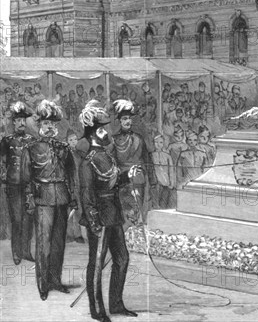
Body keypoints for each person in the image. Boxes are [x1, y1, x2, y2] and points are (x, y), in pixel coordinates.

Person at [78, 100, 139, 321]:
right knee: (96, 264)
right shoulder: (88, 162)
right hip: (99, 219)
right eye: (102, 130)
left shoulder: (107, 156)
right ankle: (97, 310)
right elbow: (86, 195)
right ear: (93, 134)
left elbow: (112, 183)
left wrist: (126, 177)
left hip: (113, 214)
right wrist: (94, 221)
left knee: (122, 259)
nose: (106, 133)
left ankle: (116, 304)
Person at [21, 99, 77, 300]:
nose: (50, 127)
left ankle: (55, 281)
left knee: (58, 244)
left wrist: (73, 199)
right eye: (46, 123)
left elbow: (71, 175)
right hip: (42, 199)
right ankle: (43, 285)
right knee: (43, 244)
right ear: (40, 125)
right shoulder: (31, 148)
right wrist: (29, 198)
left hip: (61, 197)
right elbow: (26, 177)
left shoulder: (64, 148)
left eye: (53, 124)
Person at [0, 101, 35, 264]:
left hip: (29, 186)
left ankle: (26, 251)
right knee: (17, 219)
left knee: (28, 219)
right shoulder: (6, 141)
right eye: (18, 120)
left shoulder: (32, 140)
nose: (22, 123)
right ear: (13, 122)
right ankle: (16, 252)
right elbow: (1, 162)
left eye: (23, 120)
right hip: (13, 185)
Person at [112, 99, 156, 224]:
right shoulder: (114, 140)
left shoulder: (139, 138)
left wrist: (152, 180)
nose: (128, 121)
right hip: (122, 181)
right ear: (119, 121)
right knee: (125, 214)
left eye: (129, 119)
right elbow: (111, 163)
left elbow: (147, 160)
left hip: (138, 179)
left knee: (139, 212)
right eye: (124, 119)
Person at [150, 133, 177, 209]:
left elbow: (171, 170)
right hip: (155, 184)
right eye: (156, 142)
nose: (158, 144)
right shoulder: (151, 155)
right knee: (155, 205)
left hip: (165, 184)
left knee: (163, 204)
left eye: (161, 142)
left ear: (163, 143)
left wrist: (171, 183)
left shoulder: (167, 156)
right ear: (153, 143)